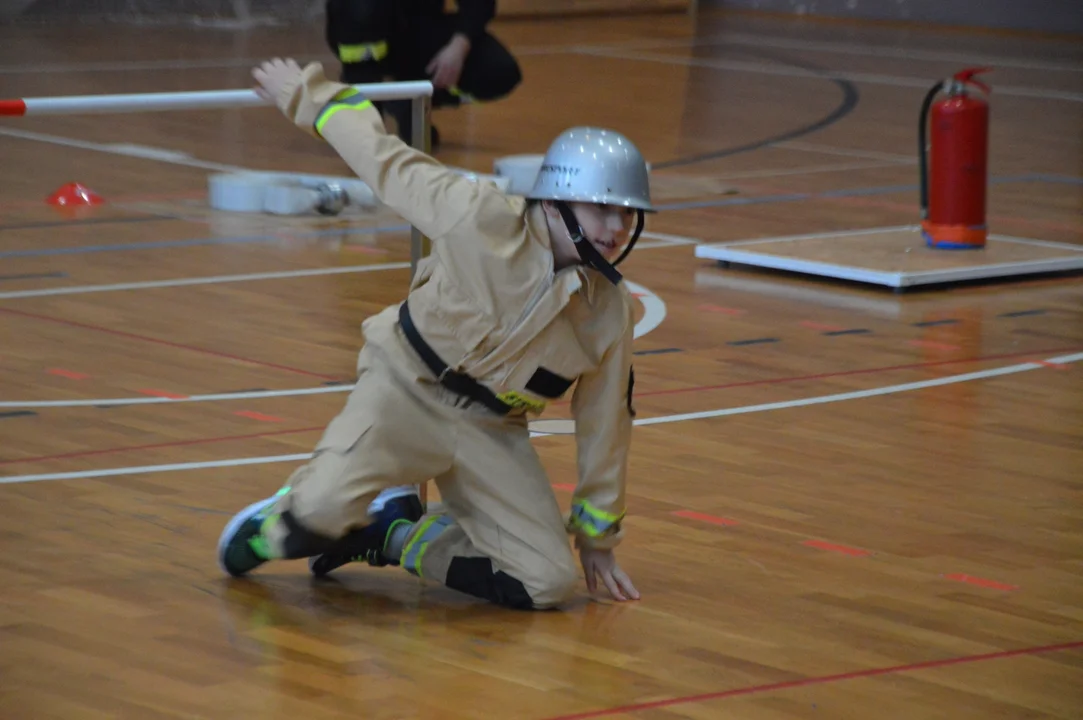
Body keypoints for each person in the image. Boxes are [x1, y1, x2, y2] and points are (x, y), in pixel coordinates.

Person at [217, 57, 655, 610]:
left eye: (628, 215)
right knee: (319, 514)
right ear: (555, 199)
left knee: (545, 582)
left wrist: (597, 540)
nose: (617, 228)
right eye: (603, 209)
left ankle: (392, 534)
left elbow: (606, 425)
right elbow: (388, 164)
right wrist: (306, 94)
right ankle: (277, 525)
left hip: (490, 430)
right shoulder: (479, 216)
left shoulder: (610, 311)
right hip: (403, 388)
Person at [323, 0, 522, 148]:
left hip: (420, 32)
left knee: (498, 70)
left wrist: (458, 47)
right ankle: (367, 105)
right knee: (361, 10)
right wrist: (367, 134)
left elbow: (480, 4)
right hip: (368, 37)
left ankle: (410, 103)